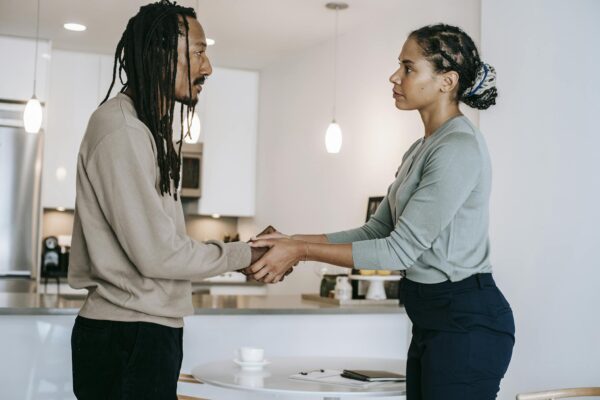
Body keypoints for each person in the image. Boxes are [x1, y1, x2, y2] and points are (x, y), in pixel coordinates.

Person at [246, 24, 515, 400]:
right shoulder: (421, 149)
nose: (395, 76)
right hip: (434, 321)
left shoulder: (457, 147)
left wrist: (301, 251)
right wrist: (291, 240)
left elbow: (399, 250)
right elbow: (376, 231)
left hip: (466, 322)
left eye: (408, 68)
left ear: (446, 81)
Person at [68, 1, 270, 398]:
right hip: (127, 335)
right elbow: (158, 254)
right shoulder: (122, 130)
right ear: (161, 55)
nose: (208, 67)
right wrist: (246, 254)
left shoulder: (145, 128)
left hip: (143, 332)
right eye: (198, 52)